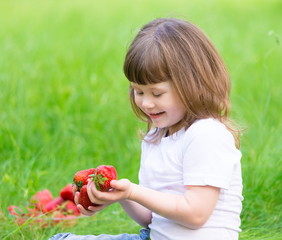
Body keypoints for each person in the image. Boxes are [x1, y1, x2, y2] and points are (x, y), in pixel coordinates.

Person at [49, 18, 243, 240]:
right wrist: (119, 195)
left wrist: (133, 191)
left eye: (156, 93)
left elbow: (195, 214)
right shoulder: (156, 137)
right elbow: (152, 218)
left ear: (193, 84)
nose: (146, 103)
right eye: (138, 91)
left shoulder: (206, 135)